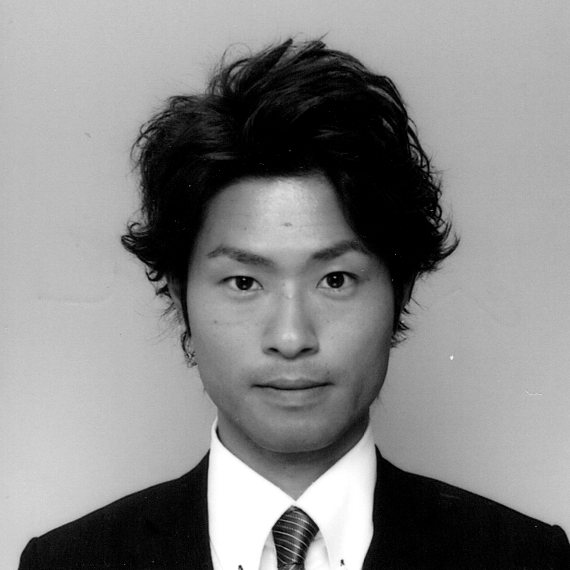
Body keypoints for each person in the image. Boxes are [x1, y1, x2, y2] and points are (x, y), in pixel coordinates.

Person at [20, 38, 569, 570]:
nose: (291, 337)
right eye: (243, 282)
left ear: (400, 290)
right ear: (180, 296)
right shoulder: (67, 562)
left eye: (335, 279)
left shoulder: (524, 558)